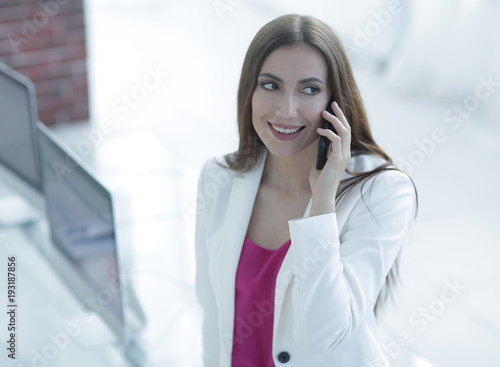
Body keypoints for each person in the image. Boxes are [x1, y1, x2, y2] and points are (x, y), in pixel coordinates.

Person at [195, 14, 417, 367]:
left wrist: (323, 202)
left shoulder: (383, 193)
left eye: (309, 89)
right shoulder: (219, 177)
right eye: (271, 85)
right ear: (249, 91)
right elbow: (212, 313)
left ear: (335, 102)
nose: (286, 110)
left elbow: (323, 336)